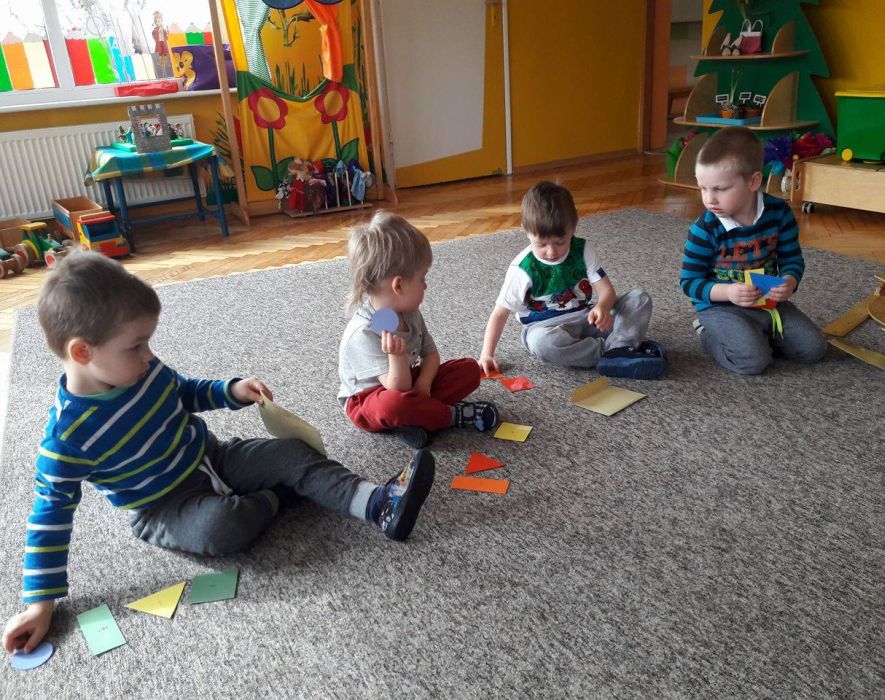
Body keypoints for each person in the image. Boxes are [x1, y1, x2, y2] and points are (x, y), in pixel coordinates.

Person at [2, 250, 435, 655]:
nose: (149, 356)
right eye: (135, 346)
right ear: (82, 352)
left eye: (147, 343)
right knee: (223, 527)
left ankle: (377, 504)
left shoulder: (142, 369)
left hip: (213, 457)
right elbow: (49, 515)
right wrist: (40, 605)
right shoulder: (66, 439)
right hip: (164, 509)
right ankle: (279, 496)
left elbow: (184, 391)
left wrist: (231, 390)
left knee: (292, 452)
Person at [338, 211, 499, 449]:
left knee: (469, 370)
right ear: (399, 285)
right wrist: (396, 356)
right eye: (422, 278)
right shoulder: (363, 333)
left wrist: (424, 385)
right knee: (395, 405)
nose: (426, 285)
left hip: (409, 384)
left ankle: (415, 419)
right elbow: (398, 388)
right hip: (370, 401)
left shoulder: (409, 311)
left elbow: (431, 355)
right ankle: (449, 415)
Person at [479, 181, 666, 379]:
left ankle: (620, 349)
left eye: (560, 242)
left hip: (587, 317)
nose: (551, 252)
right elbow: (500, 313)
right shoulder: (522, 269)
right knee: (543, 344)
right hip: (545, 328)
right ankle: (614, 351)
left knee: (639, 299)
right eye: (541, 244)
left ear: (574, 226)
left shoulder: (582, 249)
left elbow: (606, 291)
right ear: (526, 229)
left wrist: (602, 307)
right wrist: (486, 354)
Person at [680, 126, 826, 375]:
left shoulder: (779, 213)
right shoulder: (704, 229)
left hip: (767, 303)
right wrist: (728, 292)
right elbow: (689, 282)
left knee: (814, 349)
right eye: (703, 188)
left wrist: (789, 281)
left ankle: (756, 336)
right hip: (719, 306)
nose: (709, 199)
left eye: (720, 189)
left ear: (754, 181)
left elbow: (792, 259)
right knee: (753, 362)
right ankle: (707, 333)